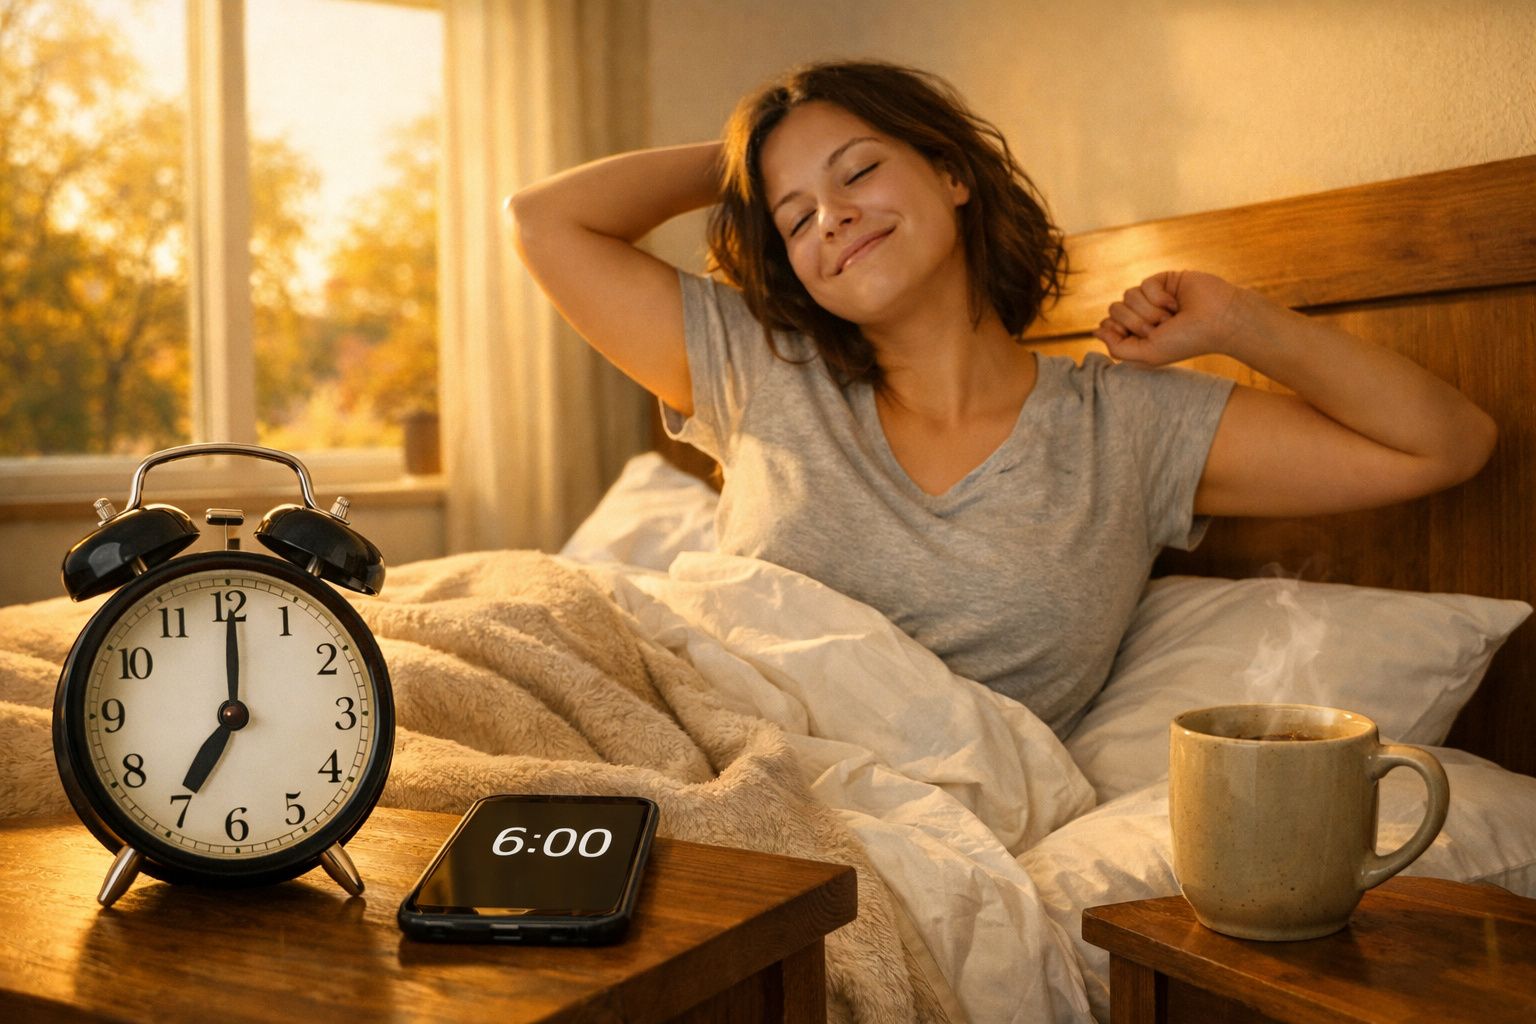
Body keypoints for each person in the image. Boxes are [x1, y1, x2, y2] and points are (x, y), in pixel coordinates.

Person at [508, 60, 1496, 738]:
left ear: (951, 172)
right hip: (698, 748)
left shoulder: (1126, 428)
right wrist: (749, 152)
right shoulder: (762, 366)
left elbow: (1444, 445)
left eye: (859, 169)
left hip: (918, 831)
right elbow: (545, 221)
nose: (832, 216)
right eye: (795, 218)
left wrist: (1242, 321)